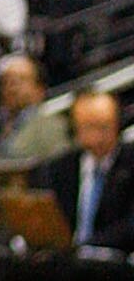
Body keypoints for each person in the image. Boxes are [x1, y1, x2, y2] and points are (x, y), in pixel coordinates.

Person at [39, 91, 134, 251]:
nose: (96, 136)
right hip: (66, 261)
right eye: (88, 126)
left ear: (117, 124)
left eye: (103, 127)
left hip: (115, 261)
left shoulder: (130, 162)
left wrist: (86, 246)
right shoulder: (61, 166)